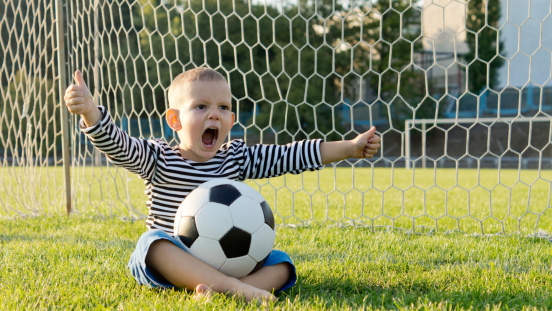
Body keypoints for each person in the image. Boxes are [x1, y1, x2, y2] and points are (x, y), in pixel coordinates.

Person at [64, 68, 381, 303]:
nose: (214, 114)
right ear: (174, 120)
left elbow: (291, 155)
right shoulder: (158, 157)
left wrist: (350, 148)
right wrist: (92, 114)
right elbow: (120, 146)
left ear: (230, 121)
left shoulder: (235, 158)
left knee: (282, 263)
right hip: (175, 262)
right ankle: (239, 289)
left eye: (223, 108)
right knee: (151, 244)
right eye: (201, 107)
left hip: (232, 261)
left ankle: (222, 286)